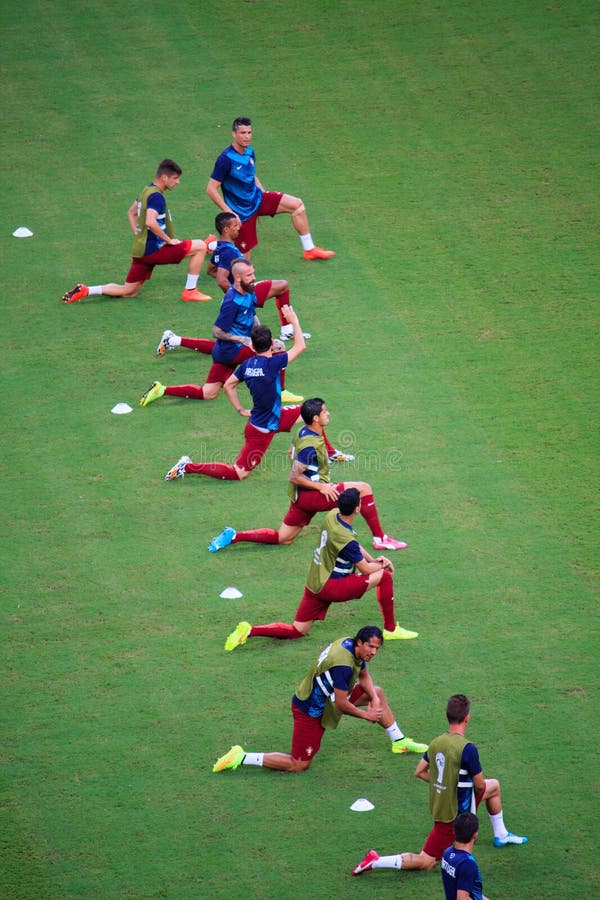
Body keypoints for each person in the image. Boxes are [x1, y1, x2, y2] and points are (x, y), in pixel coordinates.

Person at [351, 693, 527, 878]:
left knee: (494, 786)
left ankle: (501, 835)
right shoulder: (467, 748)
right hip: (455, 813)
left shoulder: (436, 742)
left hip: (443, 805)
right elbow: (479, 784)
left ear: (447, 717)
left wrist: (443, 784)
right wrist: (468, 804)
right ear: (467, 718)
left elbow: (419, 771)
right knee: (426, 862)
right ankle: (375, 861)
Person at [212, 625, 428, 775]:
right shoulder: (342, 665)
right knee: (298, 764)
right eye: (370, 647)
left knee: (377, 692)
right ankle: (241, 757)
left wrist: (374, 699)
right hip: (311, 710)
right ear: (360, 642)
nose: (373, 652)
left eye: (377, 649)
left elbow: (363, 674)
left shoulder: (348, 643)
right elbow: (343, 704)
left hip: (326, 699)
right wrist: (367, 714)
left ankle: (399, 742)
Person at [223, 488, 418, 647]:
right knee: (384, 576)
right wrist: (382, 563)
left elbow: (355, 546)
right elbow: (366, 569)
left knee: (298, 630)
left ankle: (249, 630)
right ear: (357, 509)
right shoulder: (345, 539)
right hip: (332, 586)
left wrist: (375, 559)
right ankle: (391, 630)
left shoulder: (333, 516)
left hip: (315, 582)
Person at [207, 398, 404, 555]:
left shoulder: (303, 431)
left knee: (284, 538)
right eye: (325, 412)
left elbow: (290, 452)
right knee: (363, 488)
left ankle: (234, 536)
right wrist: (321, 486)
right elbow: (294, 476)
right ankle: (380, 539)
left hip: (301, 498)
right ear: (316, 418)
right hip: (312, 495)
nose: (328, 414)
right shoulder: (310, 445)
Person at [162, 306, 306, 482]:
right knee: (239, 472)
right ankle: (187, 466)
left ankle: (310, 450)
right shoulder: (273, 364)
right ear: (270, 345)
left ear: (251, 346)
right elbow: (300, 346)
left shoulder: (247, 365)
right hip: (262, 428)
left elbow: (229, 385)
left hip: (270, 417)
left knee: (313, 411)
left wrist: (240, 409)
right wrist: (295, 322)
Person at [140, 257, 303, 408]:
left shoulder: (249, 291)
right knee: (278, 348)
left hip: (225, 352)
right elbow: (217, 331)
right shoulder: (232, 302)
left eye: (253, 273)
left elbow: (251, 314)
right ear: (238, 278)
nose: (253, 278)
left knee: (208, 393)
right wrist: (243, 339)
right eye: (249, 275)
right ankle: (280, 392)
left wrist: (259, 332)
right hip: (232, 350)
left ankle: (161, 389)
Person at [62, 159, 212, 304]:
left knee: (129, 291)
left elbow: (131, 212)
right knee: (200, 246)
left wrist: (138, 234)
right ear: (164, 177)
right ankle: (190, 291)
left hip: (141, 251)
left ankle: (87, 290)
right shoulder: (156, 197)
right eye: (175, 178)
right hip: (154, 250)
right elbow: (150, 222)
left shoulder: (146, 191)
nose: (177, 182)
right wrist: (168, 240)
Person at [206, 116, 334, 260]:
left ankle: (309, 249)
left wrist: (262, 191)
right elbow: (211, 188)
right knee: (243, 261)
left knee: (297, 205)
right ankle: (211, 246)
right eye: (243, 133)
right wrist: (229, 212)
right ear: (234, 134)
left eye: (249, 132)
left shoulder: (249, 151)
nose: (247, 136)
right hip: (241, 212)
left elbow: (251, 175)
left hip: (257, 199)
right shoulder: (226, 159)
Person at [203, 210, 310, 341]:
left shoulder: (220, 248)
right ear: (226, 229)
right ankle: (287, 330)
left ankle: (286, 331)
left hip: (240, 293)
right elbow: (221, 280)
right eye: (235, 225)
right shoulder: (228, 251)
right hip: (245, 293)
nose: (239, 228)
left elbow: (211, 270)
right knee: (283, 285)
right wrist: (238, 293)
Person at [441, 813, 489, 900]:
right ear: (475, 834)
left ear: (454, 831)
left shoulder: (447, 853)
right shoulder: (467, 864)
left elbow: (472, 891)